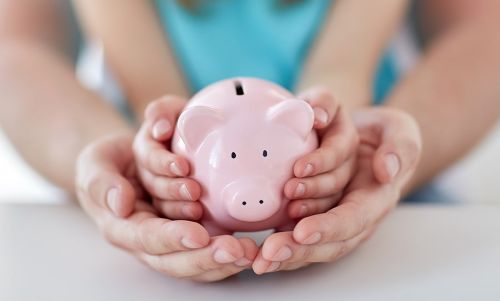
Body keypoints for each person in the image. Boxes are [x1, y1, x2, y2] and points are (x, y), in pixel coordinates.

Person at [0, 0, 498, 282]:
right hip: (143, 203)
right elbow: (15, 48)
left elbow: (484, 34)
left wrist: (390, 148)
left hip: (382, 198)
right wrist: (107, 155)